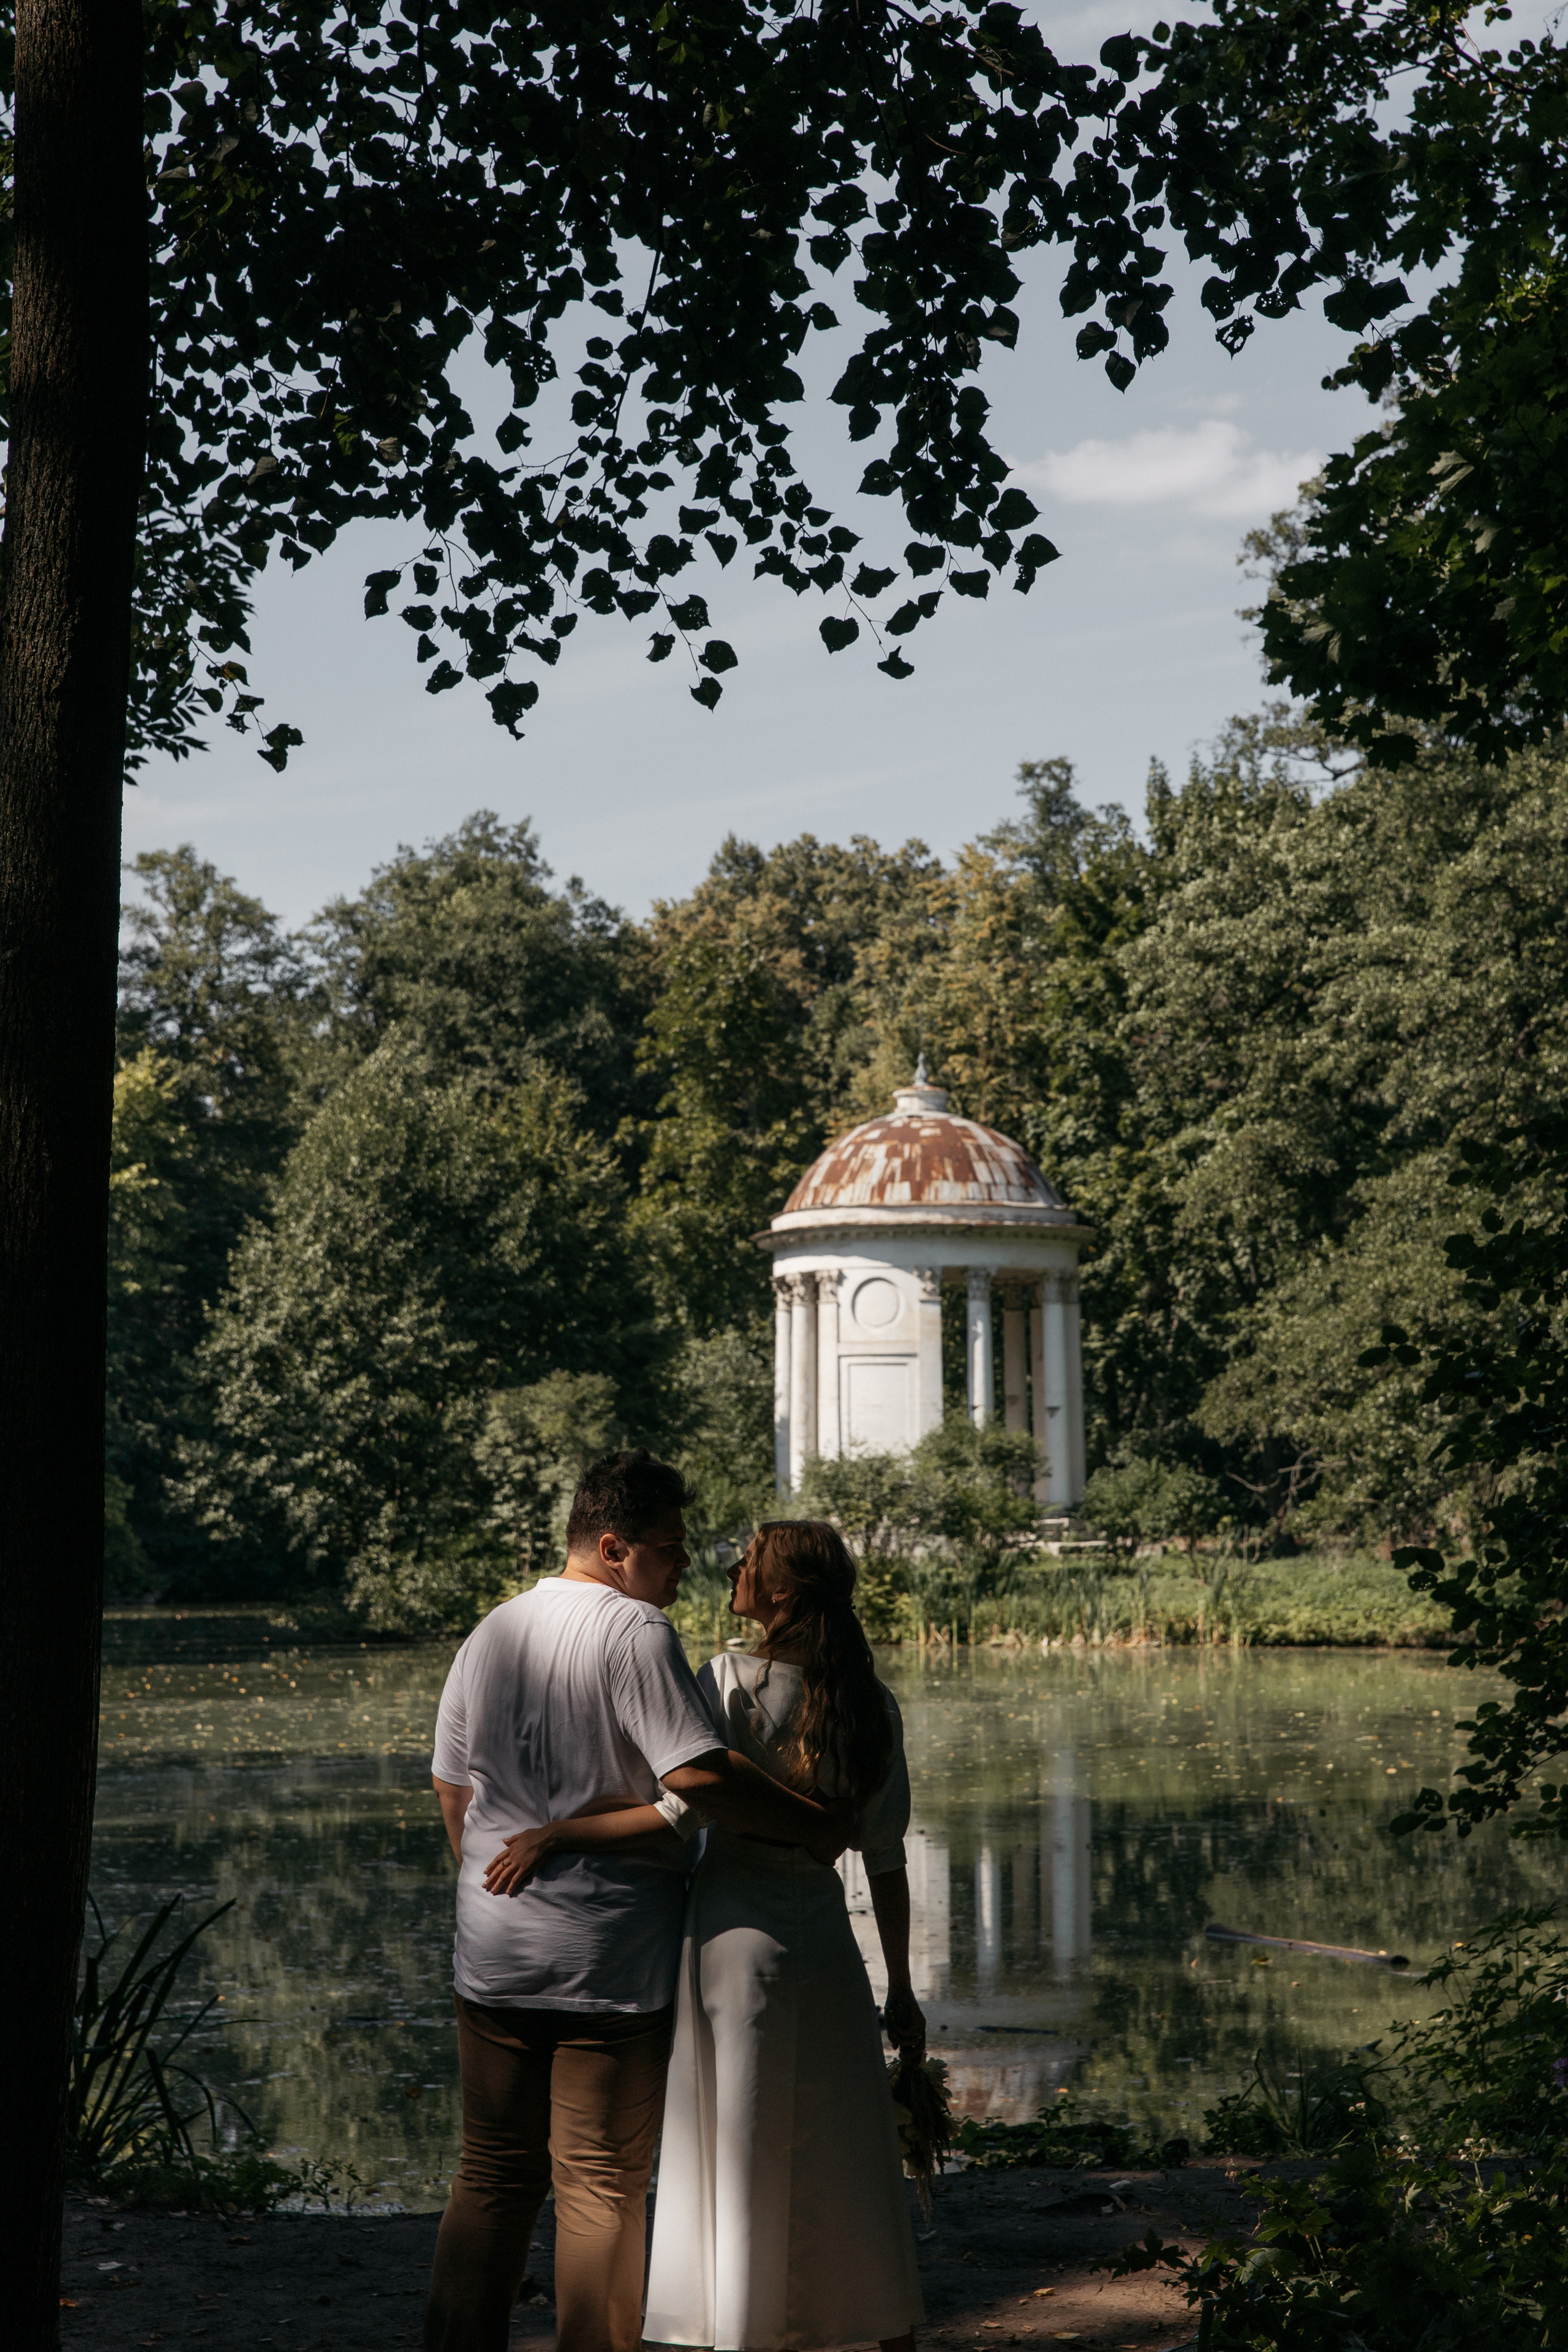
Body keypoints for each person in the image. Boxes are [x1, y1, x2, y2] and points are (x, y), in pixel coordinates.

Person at [423, 1453, 844, 2352]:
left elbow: (451, 1786)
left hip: (493, 1950)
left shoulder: (493, 1631)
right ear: (614, 1548)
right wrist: (814, 1823)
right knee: (600, 2185)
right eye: (670, 1548)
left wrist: (487, 1889)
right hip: (605, 1962)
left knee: (492, 2177)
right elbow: (696, 1775)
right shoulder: (632, 1632)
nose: (686, 1565)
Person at [644, 1518, 927, 2352]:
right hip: (824, 1938)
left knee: (739, 2132)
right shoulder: (870, 1705)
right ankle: (882, 2329)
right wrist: (901, 1988)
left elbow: (679, 1810)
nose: (733, 1568)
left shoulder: (727, 1680)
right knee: (845, 2141)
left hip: (732, 1929)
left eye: (750, 1562)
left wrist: (563, 1833)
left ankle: (741, 2326)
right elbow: (885, 1859)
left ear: (783, 1592)